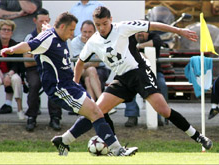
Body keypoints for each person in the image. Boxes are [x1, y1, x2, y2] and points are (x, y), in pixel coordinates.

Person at [56, 6, 212, 152]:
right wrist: (75, 86)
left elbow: (153, 25)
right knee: (96, 111)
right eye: (98, 25)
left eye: (104, 23)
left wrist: (179, 31)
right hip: (122, 78)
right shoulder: (93, 41)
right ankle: (64, 140)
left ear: (111, 19)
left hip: (140, 73)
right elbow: (79, 63)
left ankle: (198, 137)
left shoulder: (122, 27)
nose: (102, 28)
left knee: (163, 111)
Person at [0, 12, 138, 156]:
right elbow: (28, 45)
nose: (73, 33)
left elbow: (48, 32)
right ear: (63, 27)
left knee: (94, 113)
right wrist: (12, 50)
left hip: (71, 85)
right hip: (60, 88)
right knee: (96, 112)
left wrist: (48, 28)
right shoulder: (48, 38)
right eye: (71, 30)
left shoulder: (56, 35)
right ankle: (117, 150)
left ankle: (64, 141)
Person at [23, 8, 62, 132]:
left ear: (50, 20)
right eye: (41, 21)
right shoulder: (30, 36)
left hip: (50, 69)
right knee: (34, 85)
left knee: (54, 85)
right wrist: (46, 57)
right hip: (34, 69)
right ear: (35, 21)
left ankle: (55, 118)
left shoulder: (56, 36)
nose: (44, 24)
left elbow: (59, 57)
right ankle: (31, 117)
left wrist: (37, 56)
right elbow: (27, 62)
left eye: (46, 21)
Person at [125, 31, 168, 127]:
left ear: (148, 33)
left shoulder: (155, 36)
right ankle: (132, 116)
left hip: (155, 71)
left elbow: (156, 43)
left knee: (162, 85)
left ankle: (161, 116)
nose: (140, 33)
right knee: (127, 86)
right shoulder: (129, 38)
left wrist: (138, 47)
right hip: (134, 72)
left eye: (143, 31)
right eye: (138, 31)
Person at [70, 20, 111, 102]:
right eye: (85, 32)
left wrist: (89, 44)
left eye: (90, 32)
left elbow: (96, 63)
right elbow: (80, 63)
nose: (87, 35)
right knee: (91, 70)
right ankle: (101, 101)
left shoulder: (99, 40)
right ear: (81, 30)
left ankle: (93, 106)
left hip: (100, 69)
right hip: (81, 70)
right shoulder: (75, 41)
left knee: (88, 79)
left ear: (94, 32)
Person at [0, 19, 25, 120]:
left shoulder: (15, 45)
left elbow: (17, 64)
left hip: (11, 72)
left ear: (12, 32)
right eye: (4, 29)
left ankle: (20, 110)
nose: (6, 32)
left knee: (16, 79)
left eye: (9, 30)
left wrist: (9, 75)